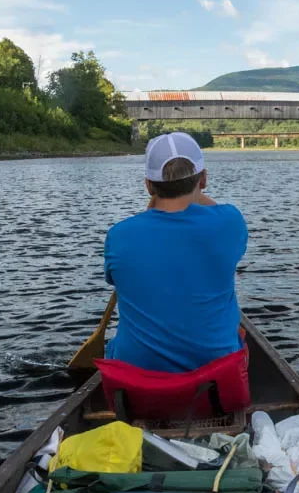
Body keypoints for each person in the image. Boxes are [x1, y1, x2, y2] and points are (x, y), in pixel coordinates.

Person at [103, 132, 248, 373]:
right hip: (217, 375)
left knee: (115, 346)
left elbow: (113, 280)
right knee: (238, 334)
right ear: (203, 179)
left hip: (137, 377)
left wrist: (160, 197)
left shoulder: (118, 235)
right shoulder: (231, 221)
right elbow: (216, 210)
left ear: (148, 185)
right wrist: (192, 191)